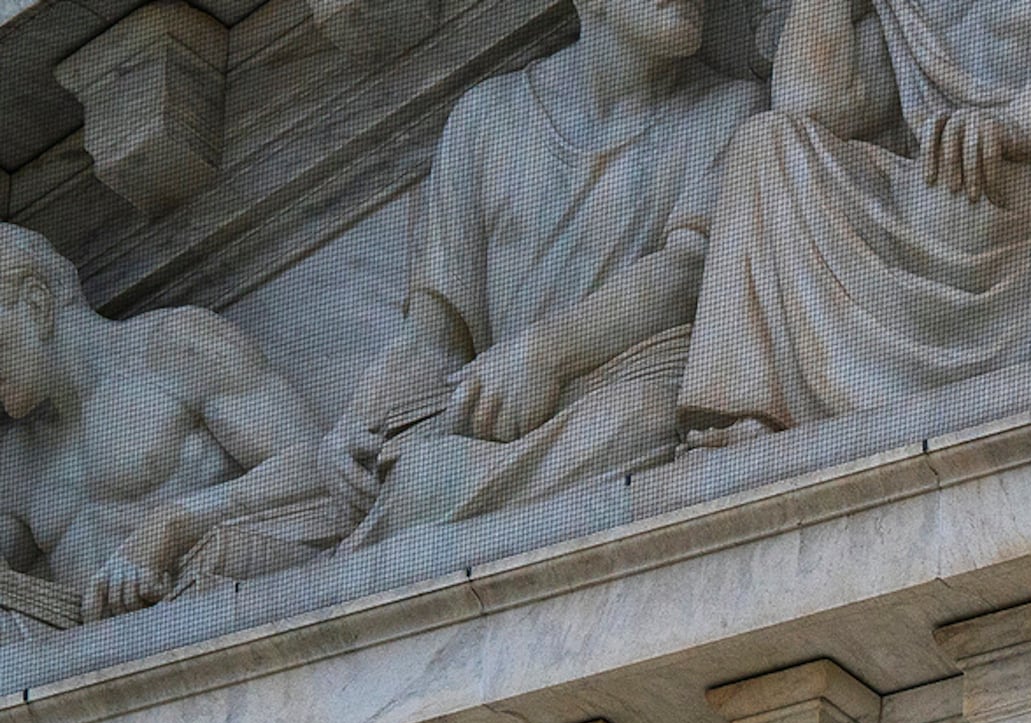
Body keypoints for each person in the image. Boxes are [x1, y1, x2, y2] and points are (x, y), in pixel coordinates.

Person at [329, 0, 756, 548]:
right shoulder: (487, 117)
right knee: (414, 478)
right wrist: (358, 424)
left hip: (628, 400)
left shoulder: (731, 110)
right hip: (496, 426)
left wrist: (542, 355)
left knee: (642, 419)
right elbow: (435, 338)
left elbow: (690, 272)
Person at [677, 0, 1031, 439]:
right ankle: (756, 413)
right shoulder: (902, 13)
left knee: (958, 204)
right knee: (764, 143)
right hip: (938, 186)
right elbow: (807, 106)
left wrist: (1019, 124)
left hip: (1028, 168)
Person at [0, 224, 344, 620]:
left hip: (226, 625)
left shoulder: (175, 348)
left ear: (36, 304)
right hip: (90, 667)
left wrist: (172, 524)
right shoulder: (17, 456)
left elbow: (312, 464)